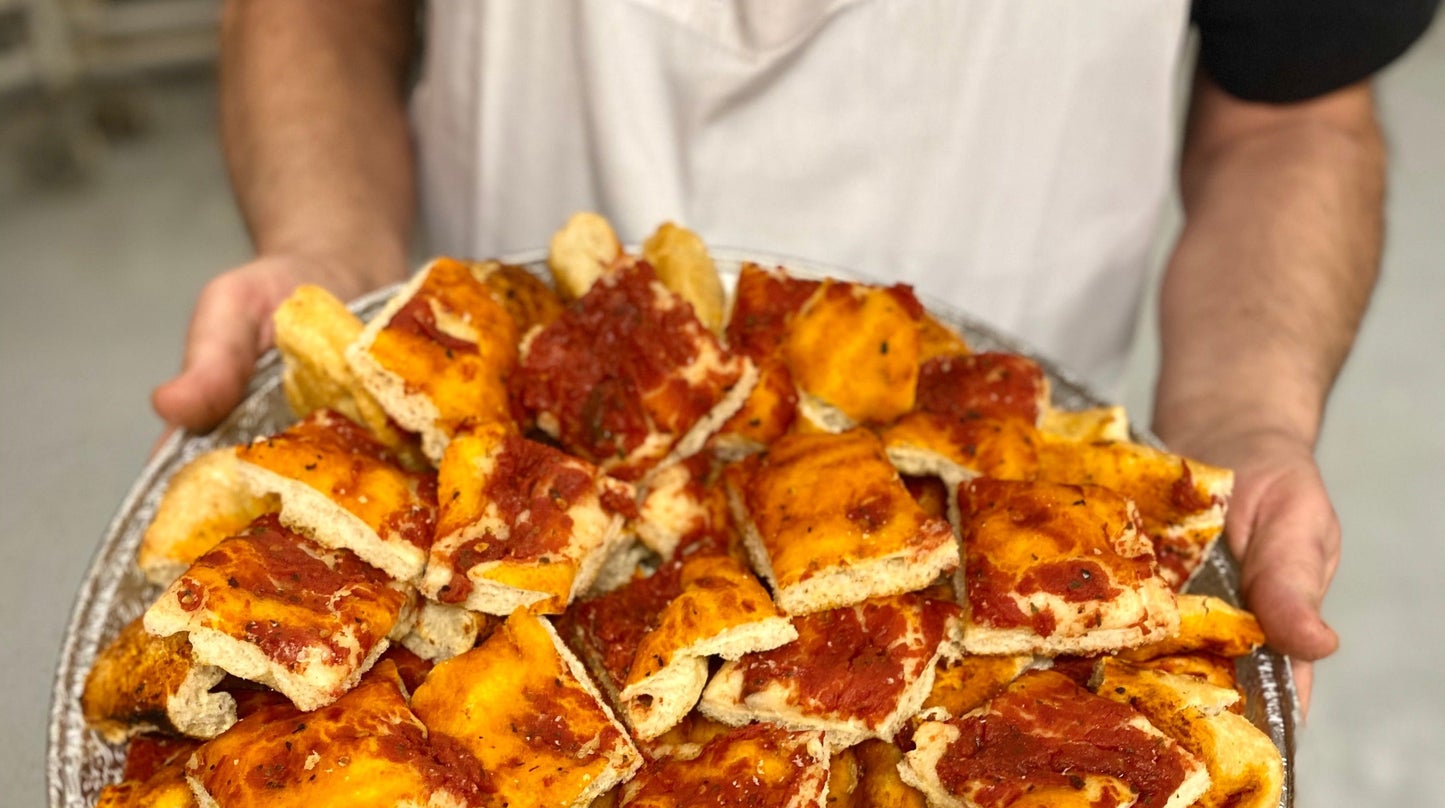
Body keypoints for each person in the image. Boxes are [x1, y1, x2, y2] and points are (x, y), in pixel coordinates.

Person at [152, 0, 1440, 712]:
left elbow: (1291, 121)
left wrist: (1243, 423)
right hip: (498, 389)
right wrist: (330, 251)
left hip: (993, 481)